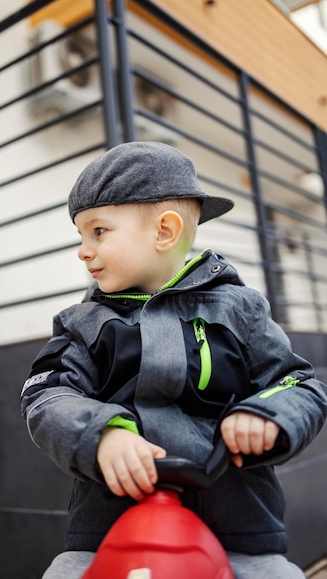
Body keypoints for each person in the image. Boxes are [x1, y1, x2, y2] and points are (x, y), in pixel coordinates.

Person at [21, 141, 327, 579]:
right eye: (81, 235)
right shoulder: (83, 323)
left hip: (237, 534)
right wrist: (101, 433)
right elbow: (46, 393)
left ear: (165, 231)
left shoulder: (239, 309)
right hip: (107, 534)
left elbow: (300, 384)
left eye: (98, 231)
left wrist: (268, 414)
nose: (83, 250)